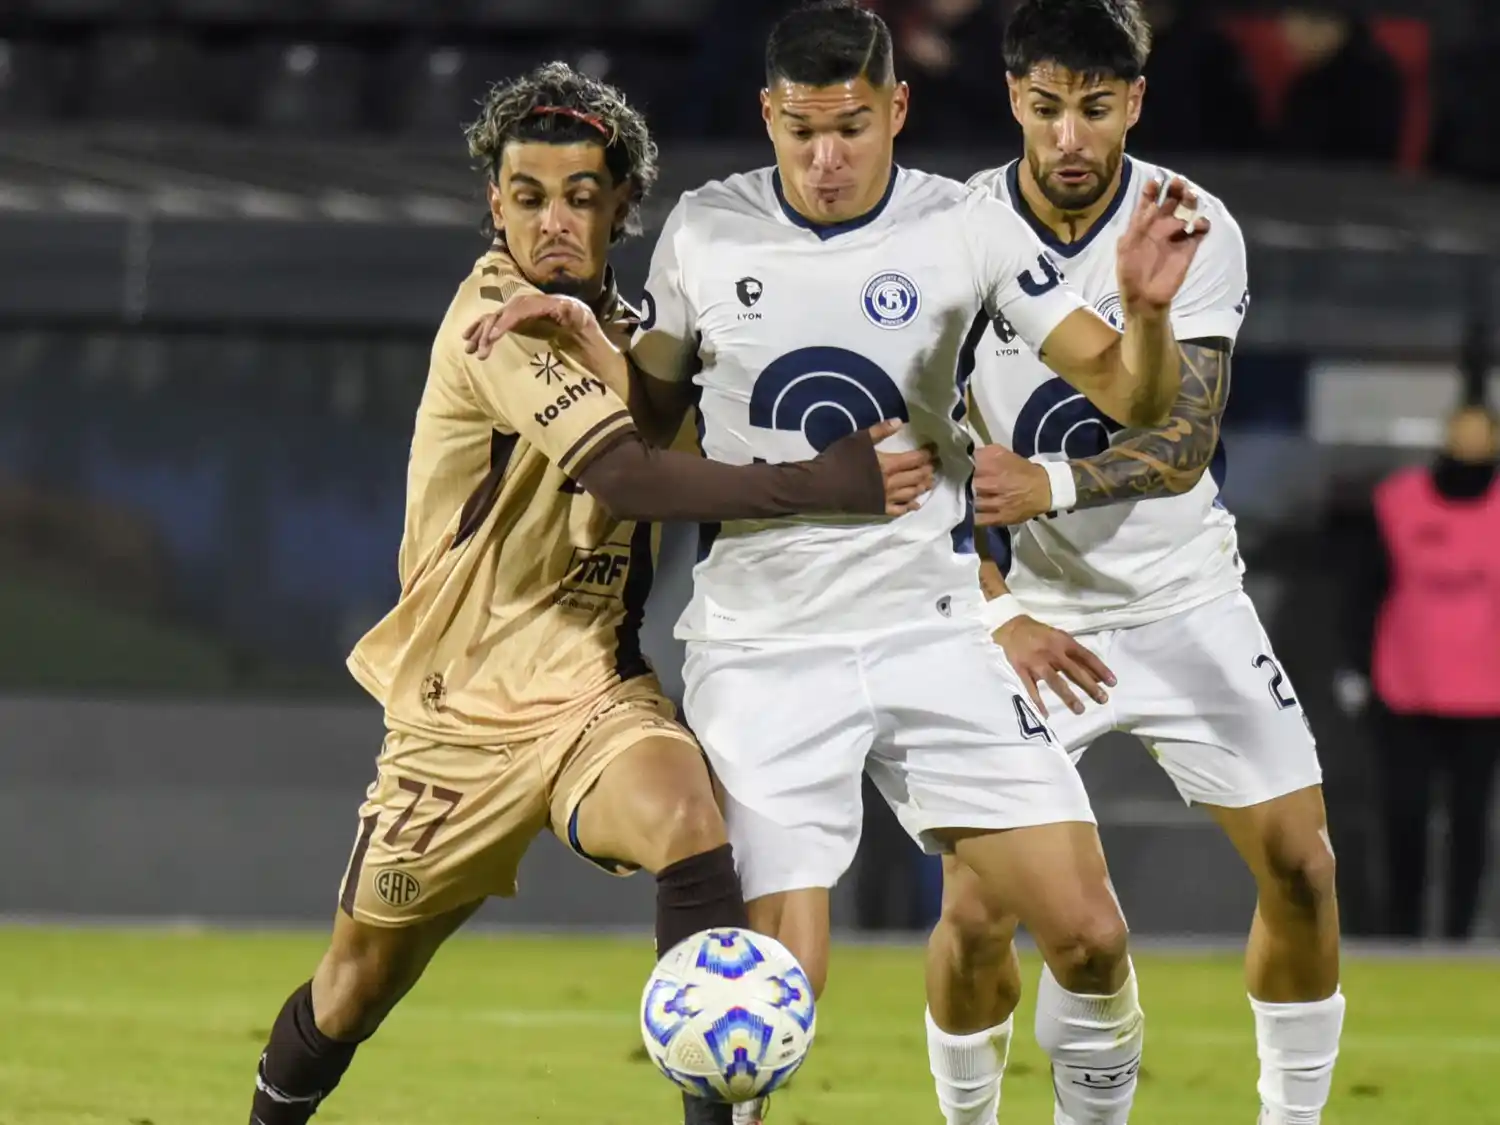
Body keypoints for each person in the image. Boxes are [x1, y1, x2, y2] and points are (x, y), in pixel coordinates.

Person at [473, 4, 1208, 1123]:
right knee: (772, 994)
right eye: (802, 129)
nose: (825, 158)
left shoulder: (967, 225)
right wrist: (594, 345)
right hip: (766, 650)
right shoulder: (707, 233)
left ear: (896, 109)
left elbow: (1132, 395)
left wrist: (1148, 315)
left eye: (853, 128)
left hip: (936, 632)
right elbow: (653, 423)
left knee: (1093, 938)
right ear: (767, 115)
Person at [244, 62, 940, 1125]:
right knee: (355, 985)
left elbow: (703, 438)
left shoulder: (641, 329)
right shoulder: (495, 317)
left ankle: (717, 1111)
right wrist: (832, 481)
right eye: (528, 196)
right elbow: (628, 475)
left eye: (580, 197)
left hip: (589, 693)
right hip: (455, 716)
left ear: (622, 205)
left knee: (687, 818)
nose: (553, 220)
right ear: (495, 204)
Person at [931, 3, 1345, 1124]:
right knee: (975, 910)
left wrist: (1051, 486)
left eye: (1097, 109)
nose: (1071, 136)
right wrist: (993, 608)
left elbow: (1182, 440)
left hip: (1185, 600)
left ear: (1136, 105)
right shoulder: (951, 235)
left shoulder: (1190, 223)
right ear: (1016, 96)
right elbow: (918, 468)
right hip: (1027, 611)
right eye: (1049, 107)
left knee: (1304, 870)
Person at [1361, 400, 1500, 940]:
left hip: (1485, 696)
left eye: (1478, 435)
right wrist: (1355, 668)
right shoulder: (1398, 501)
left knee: (1470, 823)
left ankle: (1459, 937)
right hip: (1406, 688)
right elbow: (1365, 587)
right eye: (1459, 433)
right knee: (1404, 818)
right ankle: (1403, 934)